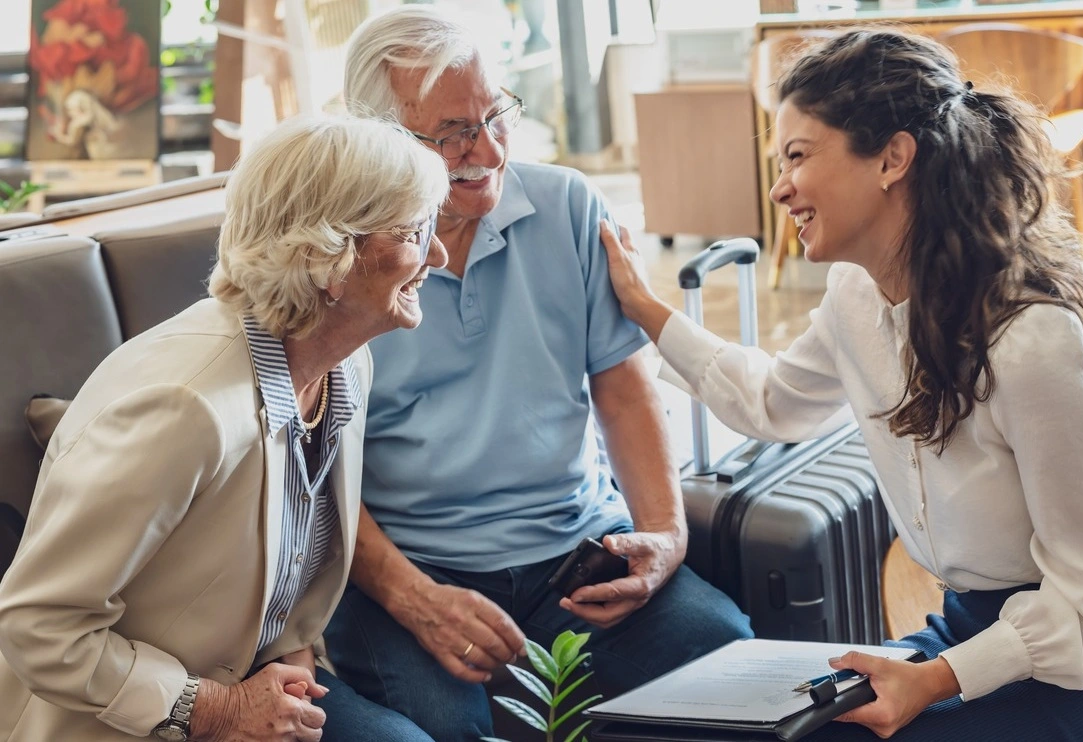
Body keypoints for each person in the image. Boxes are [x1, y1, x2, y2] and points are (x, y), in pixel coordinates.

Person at [600, 27, 1083, 742]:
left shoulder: (1033, 342)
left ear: (893, 158)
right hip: (979, 636)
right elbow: (771, 402)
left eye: (797, 156)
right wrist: (646, 309)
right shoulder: (854, 299)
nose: (778, 188)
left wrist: (931, 680)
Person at [322, 5, 752, 738]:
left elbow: (621, 389)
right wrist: (415, 598)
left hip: (576, 555)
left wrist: (664, 536)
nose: (486, 149)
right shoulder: (339, 258)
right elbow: (319, 470)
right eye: (453, 132)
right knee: (450, 726)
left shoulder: (568, 206)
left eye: (495, 115)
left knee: (727, 659)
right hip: (416, 570)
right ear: (379, 141)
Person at [0, 113, 450, 742]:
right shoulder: (182, 407)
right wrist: (212, 709)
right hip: (128, 717)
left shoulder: (345, 364)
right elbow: (36, 626)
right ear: (329, 256)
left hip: (253, 683)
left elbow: (288, 558)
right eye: (415, 229)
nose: (438, 252)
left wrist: (294, 655)